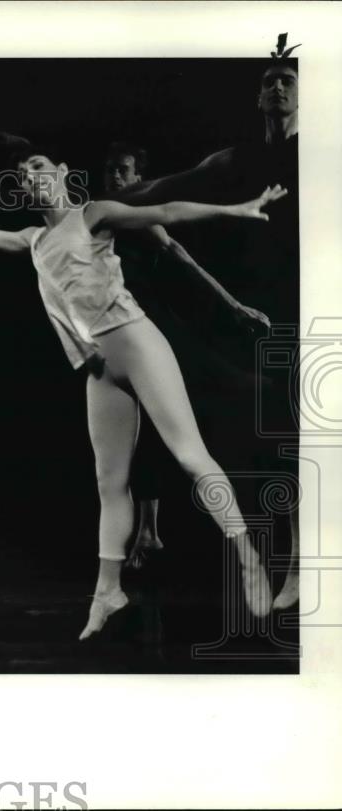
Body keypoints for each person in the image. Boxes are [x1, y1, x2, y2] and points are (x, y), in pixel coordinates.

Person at [0, 144, 282, 640]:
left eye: (39, 166)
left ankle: (246, 555)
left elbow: (165, 212)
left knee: (191, 456)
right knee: (110, 482)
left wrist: (233, 209)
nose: (31, 177)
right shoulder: (36, 239)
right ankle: (108, 590)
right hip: (97, 367)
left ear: (63, 173)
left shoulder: (92, 215)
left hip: (135, 341)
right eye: (23, 175)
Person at [109, 60, 300, 609]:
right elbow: (166, 189)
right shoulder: (237, 159)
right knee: (285, 437)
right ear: (258, 95)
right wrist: (90, 208)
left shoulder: (321, 151)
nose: (278, 85)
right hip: (272, 308)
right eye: (269, 79)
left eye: (289, 78)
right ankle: (296, 567)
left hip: (318, 299)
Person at [100, 142, 270, 569]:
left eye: (124, 171)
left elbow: (180, 256)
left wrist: (234, 306)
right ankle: (148, 530)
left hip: (152, 328)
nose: (116, 180)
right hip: (114, 335)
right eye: (110, 172)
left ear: (141, 177)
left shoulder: (135, 218)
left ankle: (214, 531)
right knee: (138, 430)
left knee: (183, 421)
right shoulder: (101, 216)